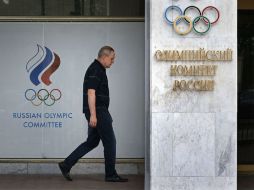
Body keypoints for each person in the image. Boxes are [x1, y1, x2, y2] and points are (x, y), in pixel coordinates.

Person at [58, 46, 128, 182]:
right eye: (112, 58)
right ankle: (110, 175)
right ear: (104, 57)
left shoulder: (98, 69)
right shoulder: (96, 69)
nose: (113, 61)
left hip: (97, 111)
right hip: (99, 111)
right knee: (110, 142)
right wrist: (94, 115)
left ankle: (66, 164)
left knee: (92, 142)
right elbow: (91, 92)